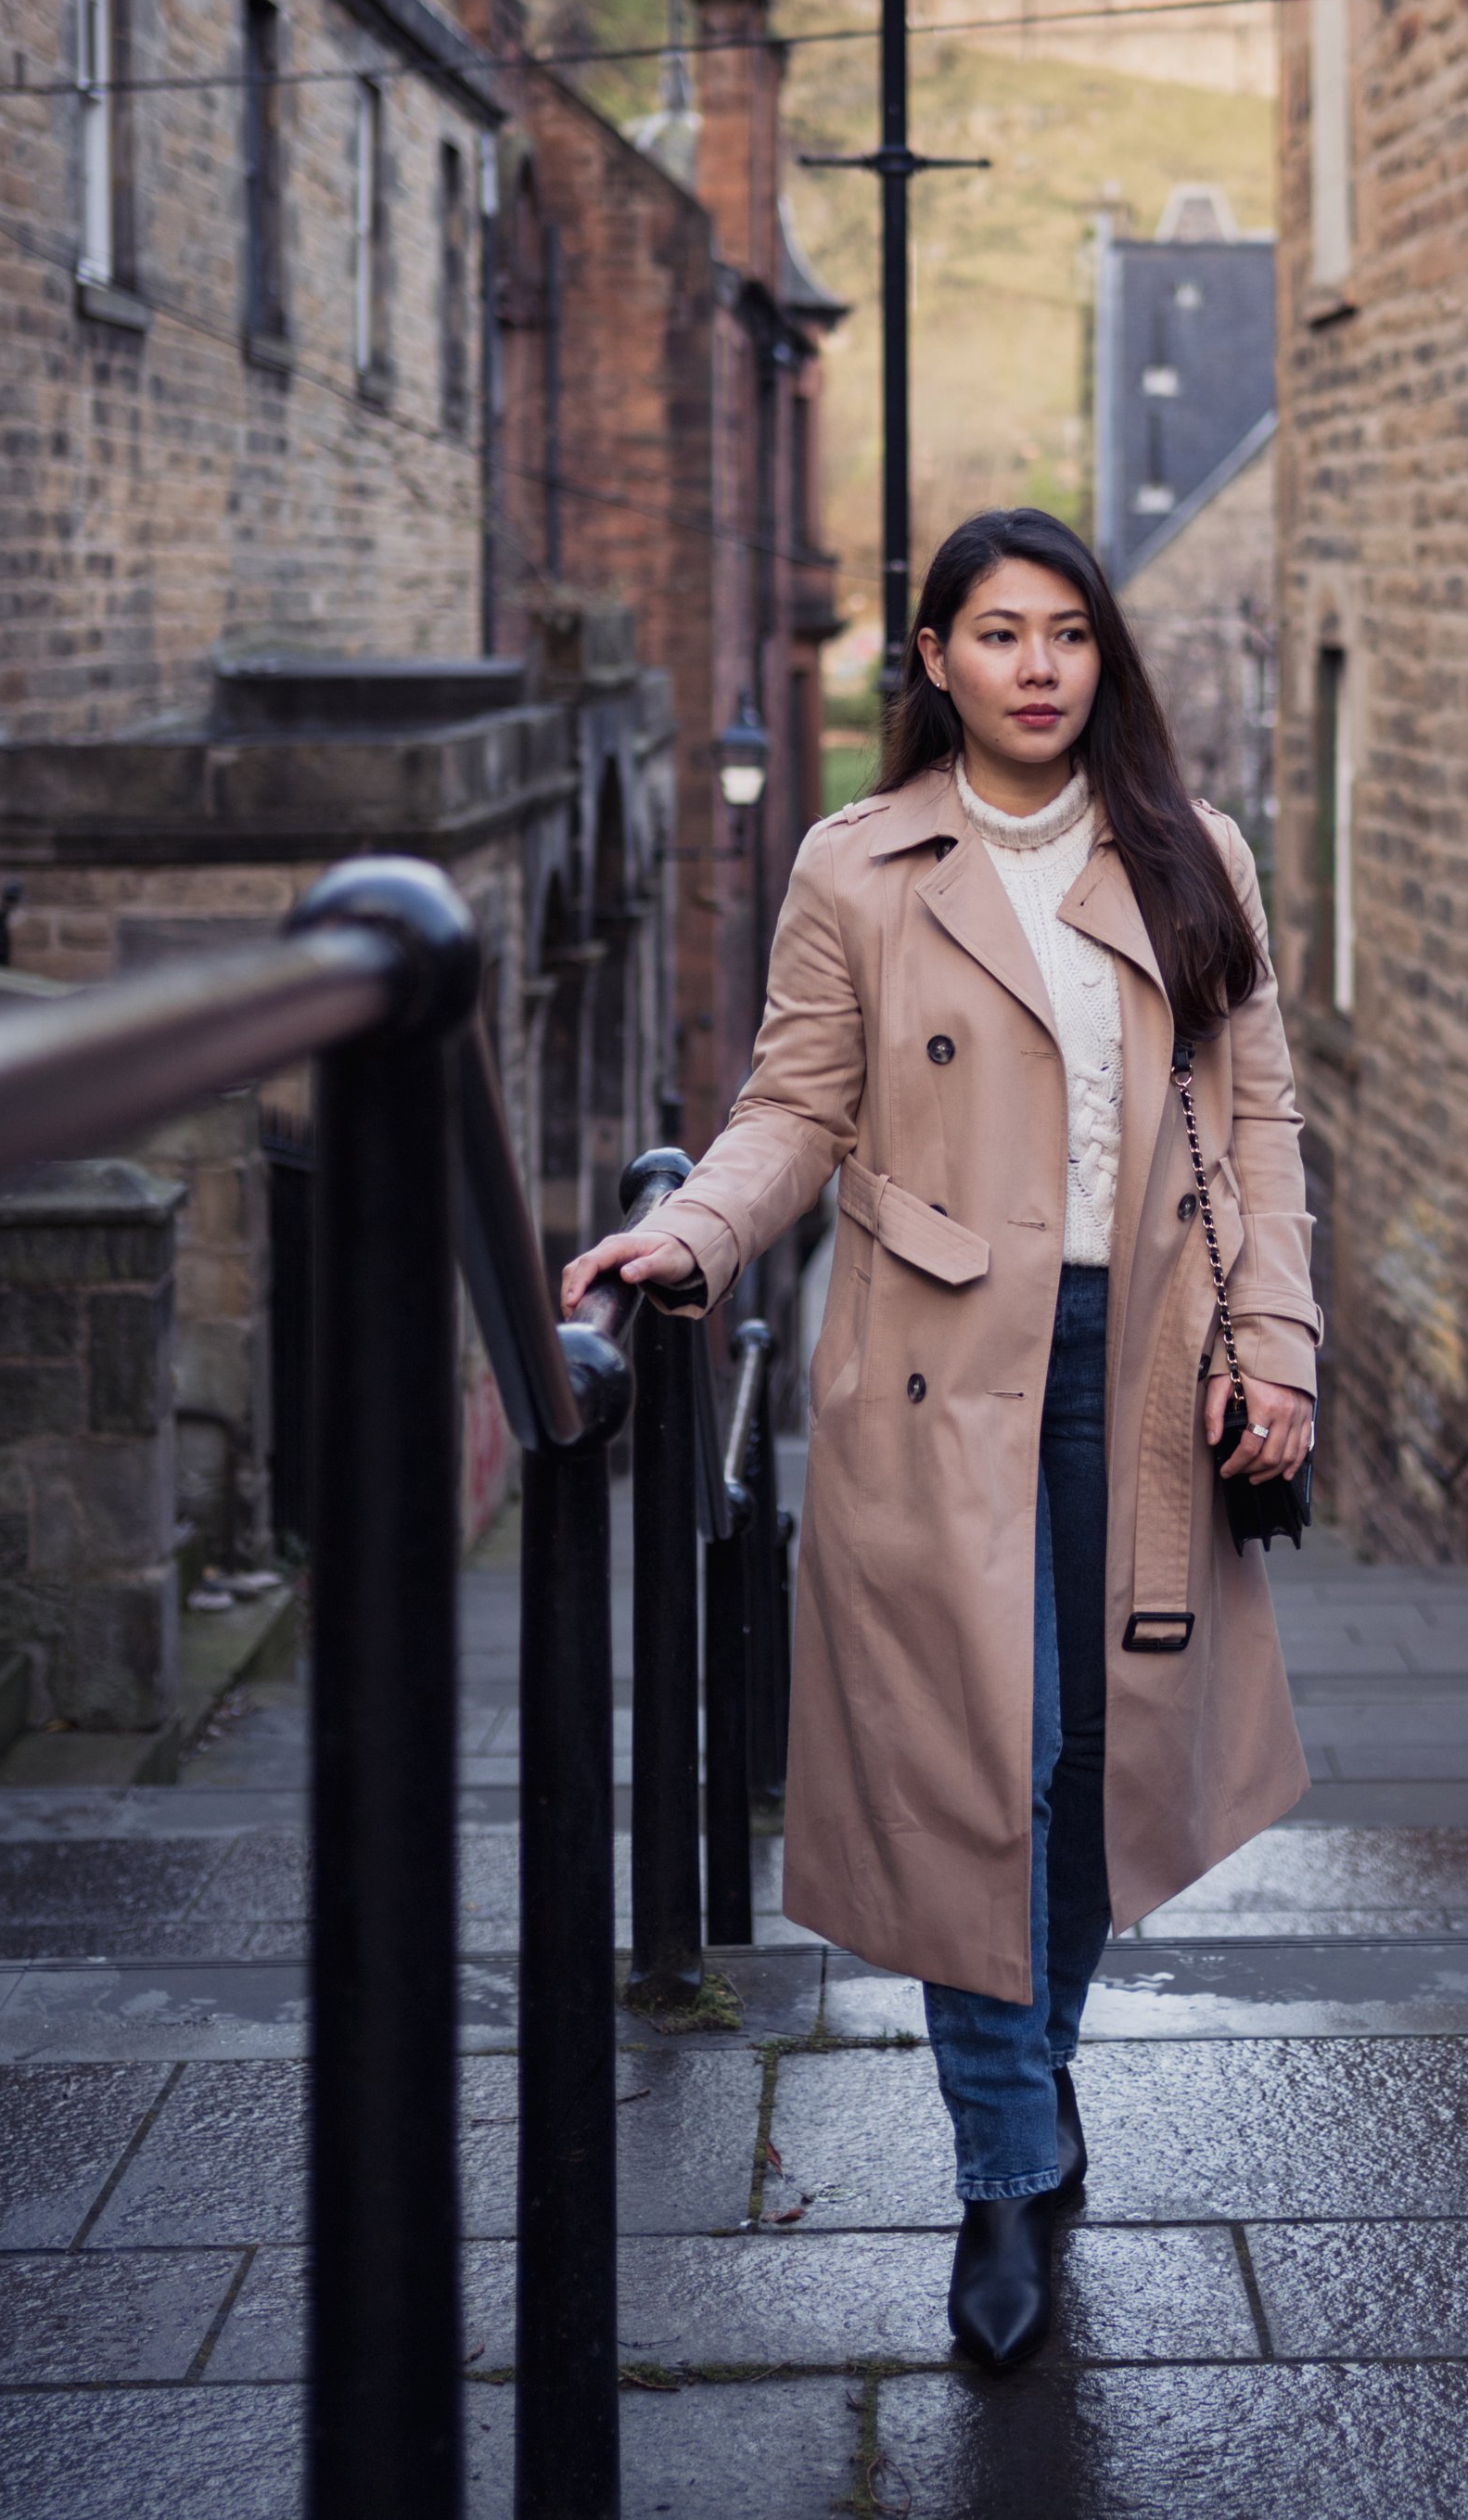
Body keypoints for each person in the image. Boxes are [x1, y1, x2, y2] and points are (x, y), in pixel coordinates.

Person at [564, 506, 1320, 2371]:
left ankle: (1029, 2087)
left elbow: (1262, 1124)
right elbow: (790, 1108)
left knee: (1095, 1769)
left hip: (1138, 1370)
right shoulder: (857, 863)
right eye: (997, 633)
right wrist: (692, 1233)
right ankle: (999, 2170)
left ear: (1099, 655)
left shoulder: (1186, 854)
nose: (1038, 665)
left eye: (1066, 631)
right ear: (931, 658)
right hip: (928, 1373)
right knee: (999, 1765)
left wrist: (1279, 1341)